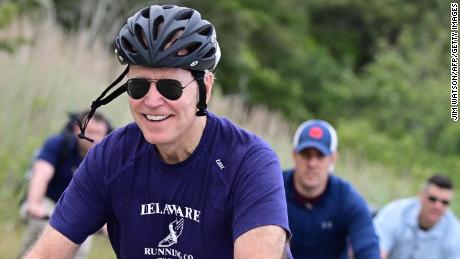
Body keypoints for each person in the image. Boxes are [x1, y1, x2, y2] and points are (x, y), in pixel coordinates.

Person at [25, 4, 291, 259]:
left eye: (170, 88)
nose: (152, 101)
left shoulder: (249, 162)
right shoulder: (109, 158)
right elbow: (46, 253)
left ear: (205, 88)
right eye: (139, 86)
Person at [19, 110, 111, 258]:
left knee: (80, 250)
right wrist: (34, 203)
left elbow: (108, 194)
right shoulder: (58, 144)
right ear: (77, 129)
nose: (94, 137)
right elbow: (41, 175)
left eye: (99, 133)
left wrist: (108, 223)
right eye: (90, 132)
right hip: (49, 202)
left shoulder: (107, 159)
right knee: (42, 234)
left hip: (80, 209)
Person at [283, 119, 380, 259]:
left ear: (333, 159)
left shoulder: (348, 199)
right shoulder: (273, 190)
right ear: (294, 155)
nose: (312, 163)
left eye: (320, 155)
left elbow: (368, 248)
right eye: (306, 154)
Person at [373, 174, 460, 259]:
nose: (438, 206)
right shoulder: (394, 213)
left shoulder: (455, 232)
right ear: (421, 196)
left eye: (444, 202)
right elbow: (375, 252)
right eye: (432, 199)